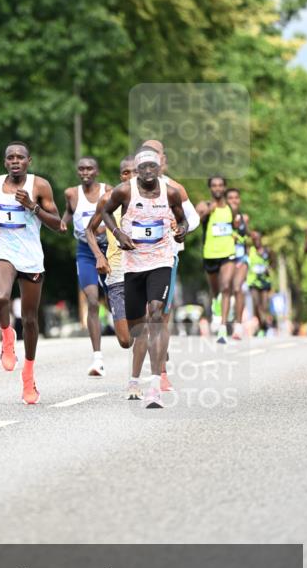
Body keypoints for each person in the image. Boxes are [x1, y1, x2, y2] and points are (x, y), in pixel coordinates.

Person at [101, 146, 188, 408]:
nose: (148, 171)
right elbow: (106, 212)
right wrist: (119, 234)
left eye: (153, 166)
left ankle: (155, 385)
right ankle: (134, 380)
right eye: (143, 167)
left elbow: (183, 221)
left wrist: (181, 231)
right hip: (133, 265)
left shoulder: (170, 193)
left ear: (160, 168)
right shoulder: (124, 191)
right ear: (137, 170)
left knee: (156, 313)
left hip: (161, 262)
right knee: (138, 329)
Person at [0, 140, 61, 405]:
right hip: (3, 249)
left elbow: (59, 224)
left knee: (30, 320)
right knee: (1, 297)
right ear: (5, 162)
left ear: (29, 161)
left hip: (31, 256)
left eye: (20, 157)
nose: (15, 161)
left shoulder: (40, 186)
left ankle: (28, 375)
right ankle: (7, 336)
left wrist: (32, 206)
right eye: (10, 157)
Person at [142, 138, 200, 389]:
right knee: (145, 315)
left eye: (156, 155)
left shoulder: (174, 188)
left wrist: (181, 228)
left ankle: (161, 371)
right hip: (137, 257)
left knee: (160, 313)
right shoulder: (132, 188)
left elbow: (193, 219)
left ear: (163, 160)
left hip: (166, 257)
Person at [60, 156, 111, 377]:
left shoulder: (108, 192)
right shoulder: (72, 194)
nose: (85, 172)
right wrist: (63, 222)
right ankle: (97, 358)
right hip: (85, 252)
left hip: (109, 250)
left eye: (89, 168)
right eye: (81, 169)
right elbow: (70, 212)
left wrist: (104, 229)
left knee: (114, 301)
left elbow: (117, 216)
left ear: (97, 171)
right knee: (91, 300)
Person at [87, 157, 136, 355]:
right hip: (117, 272)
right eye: (126, 172)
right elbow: (89, 230)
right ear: (121, 175)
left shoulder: (154, 198)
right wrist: (99, 256)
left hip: (145, 270)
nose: (131, 176)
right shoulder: (108, 199)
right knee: (125, 340)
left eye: (136, 171)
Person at [196, 176, 236, 344]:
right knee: (216, 290)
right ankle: (215, 303)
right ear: (210, 188)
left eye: (220, 185)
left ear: (225, 187)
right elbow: (194, 223)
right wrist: (207, 212)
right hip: (210, 254)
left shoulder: (231, 208)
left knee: (226, 287)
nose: (218, 188)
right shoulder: (203, 205)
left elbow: (235, 227)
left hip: (228, 253)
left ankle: (223, 327)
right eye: (214, 185)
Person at [226, 188, 250, 339]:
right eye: (230, 198)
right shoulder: (220, 217)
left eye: (236, 197)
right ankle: (223, 322)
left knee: (237, 288)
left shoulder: (244, 218)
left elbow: (246, 237)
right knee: (225, 290)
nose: (234, 200)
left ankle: (238, 325)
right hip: (225, 258)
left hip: (241, 258)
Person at [248, 230, 273, 336]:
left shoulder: (267, 251)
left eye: (258, 239)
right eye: (254, 239)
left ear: (261, 239)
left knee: (264, 305)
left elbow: (273, 262)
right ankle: (262, 324)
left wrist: (269, 268)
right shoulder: (250, 250)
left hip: (265, 281)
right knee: (256, 304)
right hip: (253, 281)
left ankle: (263, 326)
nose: (256, 241)